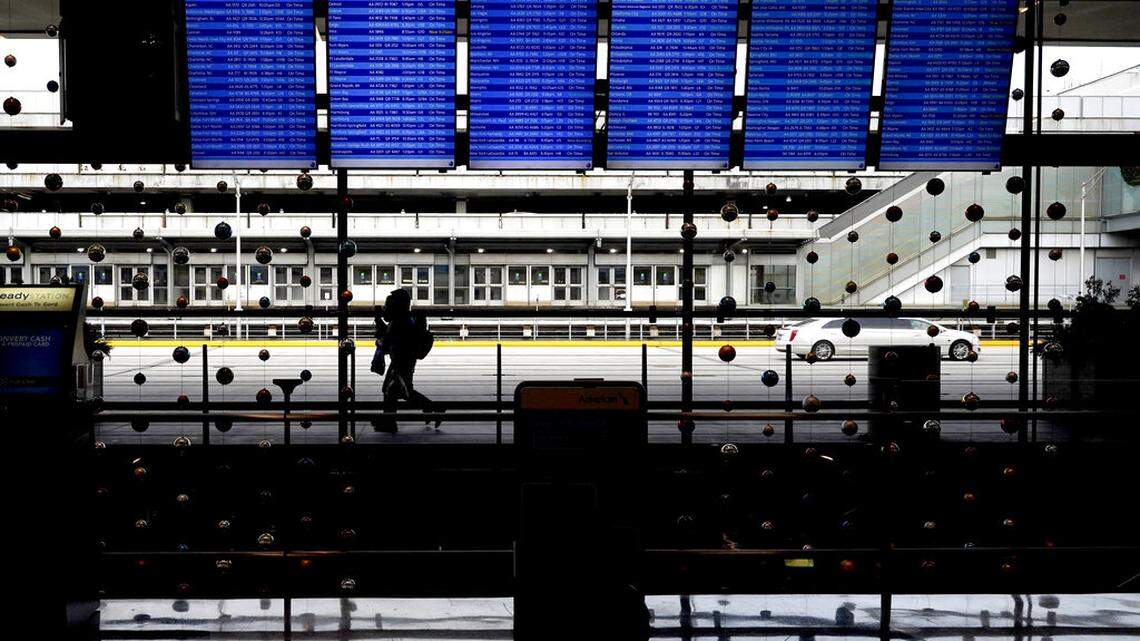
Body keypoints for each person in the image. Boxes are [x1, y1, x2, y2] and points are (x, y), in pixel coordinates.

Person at [370, 289, 437, 433]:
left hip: (401, 362)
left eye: (388, 306)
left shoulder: (400, 323)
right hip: (403, 360)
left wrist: (378, 322)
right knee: (396, 391)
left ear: (397, 307)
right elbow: (388, 334)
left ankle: (391, 422)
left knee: (395, 391)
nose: (385, 309)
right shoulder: (403, 320)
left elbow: (386, 342)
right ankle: (391, 421)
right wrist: (378, 320)